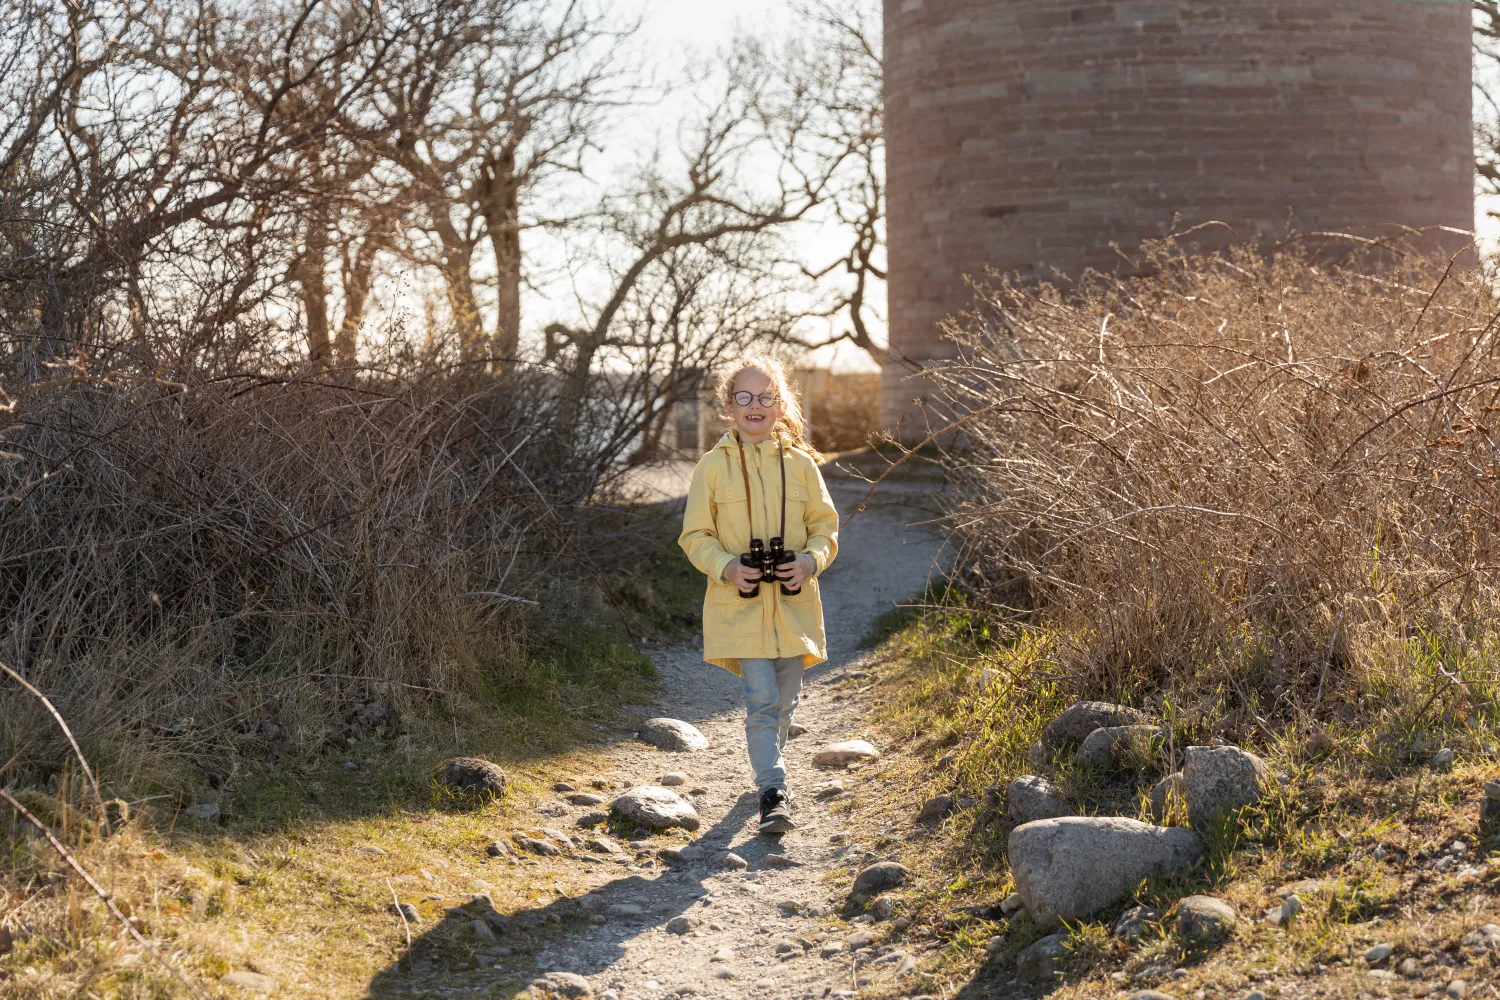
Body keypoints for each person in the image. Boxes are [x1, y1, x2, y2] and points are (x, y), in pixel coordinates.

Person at [678, 354, 839, 834]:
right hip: (740, 606)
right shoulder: (712, 467)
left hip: (794, 605)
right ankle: (773, 790)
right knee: (762, 699)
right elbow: (694, 535)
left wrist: (810, 560)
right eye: (744, 397)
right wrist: (726, 566)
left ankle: (769, 760)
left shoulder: (803, 466)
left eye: (765, 397)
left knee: (787, 698)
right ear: (729, 407)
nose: (755, 405)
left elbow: (825, 530)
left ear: (781, 405)